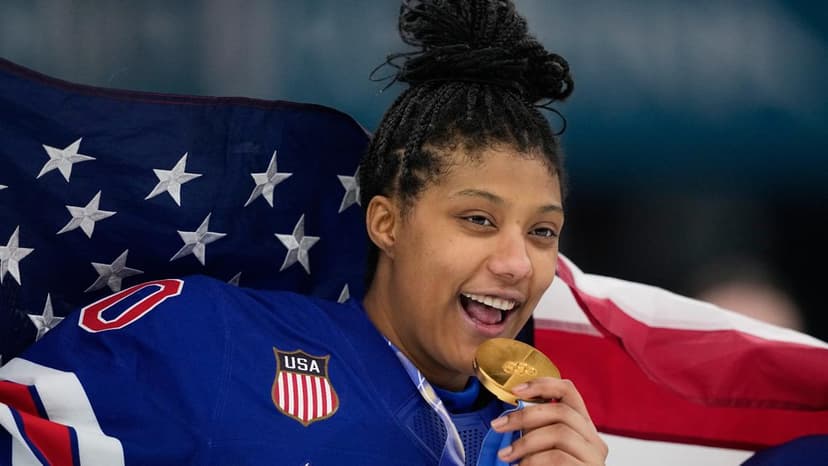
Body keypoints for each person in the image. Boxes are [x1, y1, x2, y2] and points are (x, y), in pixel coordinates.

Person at [0, 0, 607, 464]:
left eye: (543, 231)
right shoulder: (208, 340)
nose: (517, 263)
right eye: (478, 220)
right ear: (387, 222)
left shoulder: (542, 439)